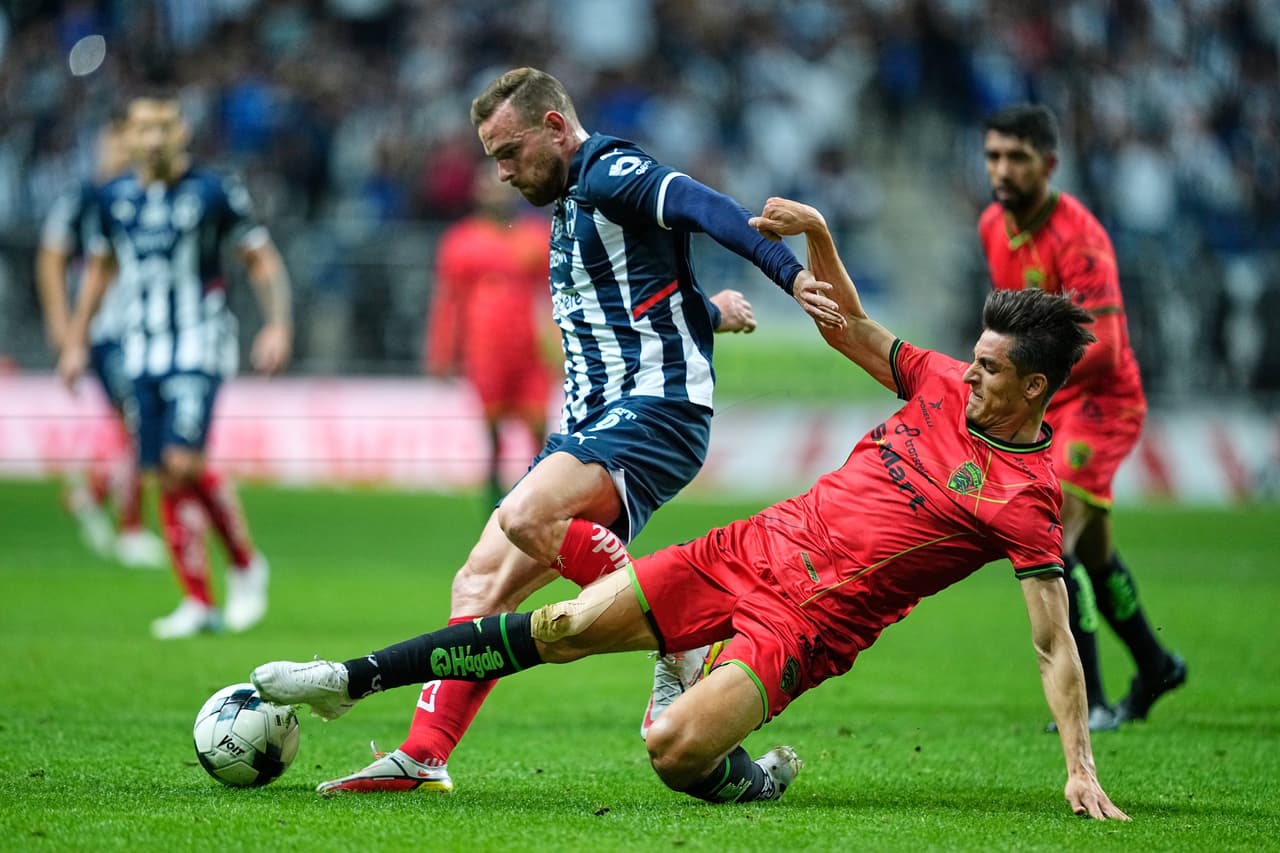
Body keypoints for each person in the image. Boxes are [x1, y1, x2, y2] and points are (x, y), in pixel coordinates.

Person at [252, 197, 1129, 820]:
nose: (968, 373)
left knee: (673, 752)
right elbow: (850, 328)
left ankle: (750, 777)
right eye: (972, 359)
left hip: (807, 625)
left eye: (989, 370)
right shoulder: (939, 380)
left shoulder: (1026, 499)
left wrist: (1079, 769)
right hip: (750, 548)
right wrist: (818, 235)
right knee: (557, 625)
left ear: (1035, 388)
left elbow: (1052, 643)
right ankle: (346, 680)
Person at [312, 66, 844, 795]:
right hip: (597, 421)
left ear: (556, 127)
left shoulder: (609, 172)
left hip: (656, 412)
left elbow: (702, 204)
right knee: (479, 582)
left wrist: (786, 272)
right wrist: (711, 311)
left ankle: (679, 632)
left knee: (528, 512)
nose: (500, 173)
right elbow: (634, 301)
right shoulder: (568, 202)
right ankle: (423, 753)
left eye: (508, 151)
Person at [978, 103, 1186, 729]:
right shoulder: (994, 224)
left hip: (1100, 403)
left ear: (1049, 164)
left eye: (1017, 157)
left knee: (1051, 537)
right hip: (1050, 401)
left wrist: (1025, 384)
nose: (1003, 170)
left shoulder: (1079, 237)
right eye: (994, 156)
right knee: (1094, 554)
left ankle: (1089, 698)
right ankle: (1155, 663)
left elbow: (1109, 348)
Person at [57, 92, 293, 639]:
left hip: (198, 342)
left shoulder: (213, 190)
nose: (154, 137)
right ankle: (199, 601)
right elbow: (97, 271)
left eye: (164, 126)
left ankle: (243, 563)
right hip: (139, 349)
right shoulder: (113, 199)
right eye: (143, 128)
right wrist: (74, 341)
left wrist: (277, 324)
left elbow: (258, 256)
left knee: (182, 463)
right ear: (130, 137)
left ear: (182, 131)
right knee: (163, 472)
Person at [36, 112, 168, 569]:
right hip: (107, 333)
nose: (120, 152)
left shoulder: (149, 197)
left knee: (141, 422)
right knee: (140, 419)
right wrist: (64, 326)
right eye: (113, 144)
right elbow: (51, 259)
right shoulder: (85, 200)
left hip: (149, 330)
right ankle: (130, 527)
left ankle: (93, 491)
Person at [425, 170, 558, 506]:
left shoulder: (537, 236)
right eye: (489, 190)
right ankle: (493, 495)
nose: (496, 196)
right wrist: (442, 352)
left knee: (538, 423)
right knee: (493, 428)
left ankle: (538, 493)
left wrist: (561, 346)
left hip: (531, 349)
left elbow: (556, 295)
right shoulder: (461, 241)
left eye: (501, 190)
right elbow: (449, 302)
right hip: (485, 350)